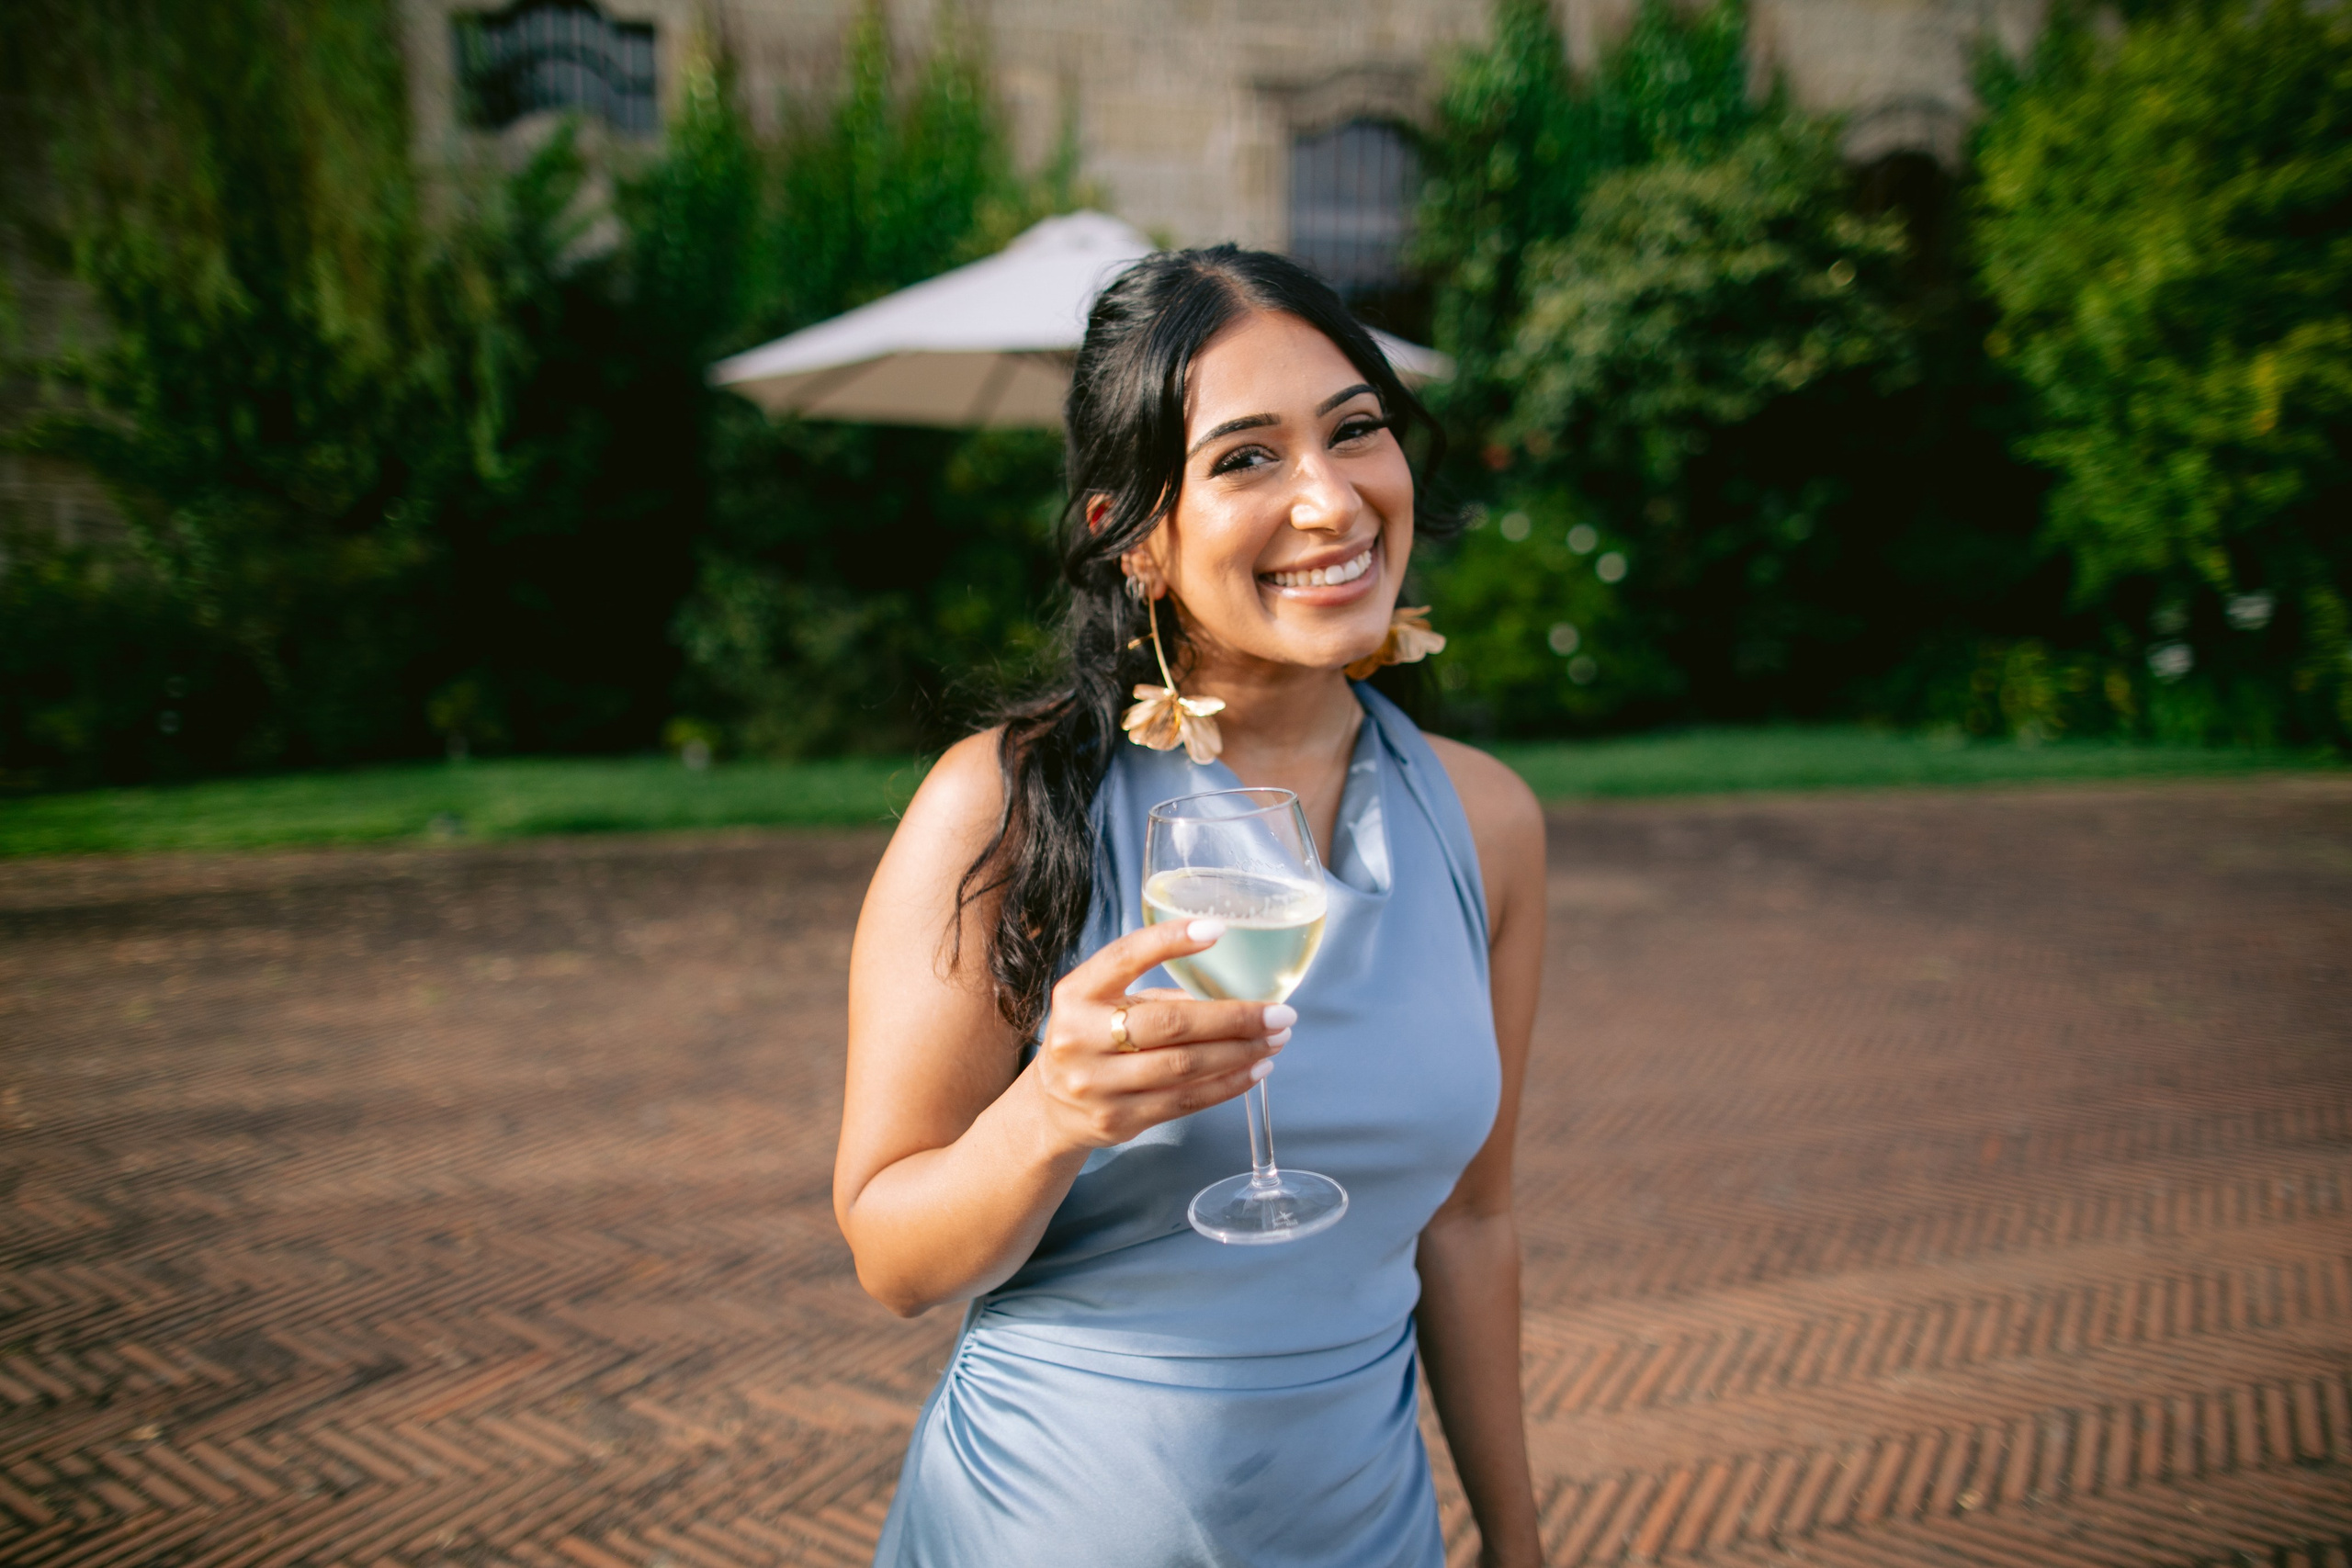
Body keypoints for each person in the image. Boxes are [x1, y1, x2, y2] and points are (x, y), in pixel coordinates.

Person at [835, 245, 1547, 1567]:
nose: (1330, 499)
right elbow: (894, 1260)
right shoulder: (1001, 806)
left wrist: (1517, 1541)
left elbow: (1471, 1221)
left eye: (1355, 431)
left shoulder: (1487, 820)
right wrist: (1050, 1113)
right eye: (1247, 458)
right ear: (1136, 539)